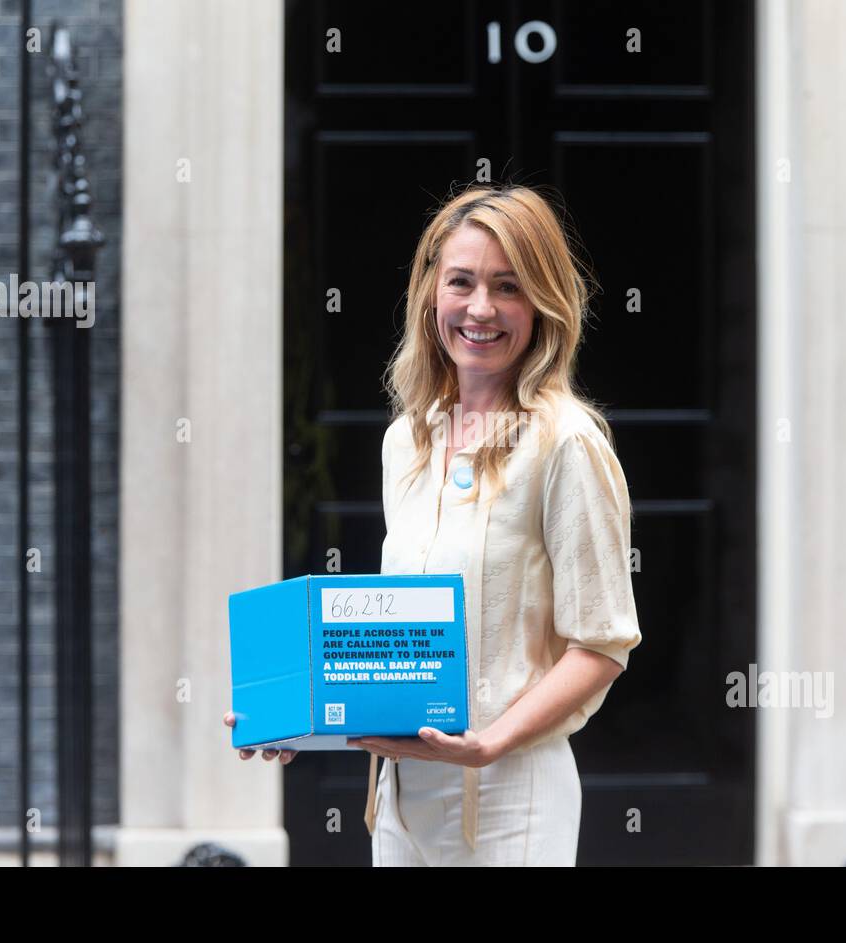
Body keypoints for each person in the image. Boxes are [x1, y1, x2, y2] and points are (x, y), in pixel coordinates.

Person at [226, 182, 642, 866]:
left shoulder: (567, 444)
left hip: (511, 798)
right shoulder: (407, 441)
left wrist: (490, 744)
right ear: (431, 295)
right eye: (463, 282)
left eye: (508, 287)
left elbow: (602, 644)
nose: (481, 308)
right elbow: (400, 642)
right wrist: (292, 717)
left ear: (542, 304)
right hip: (398, 801)